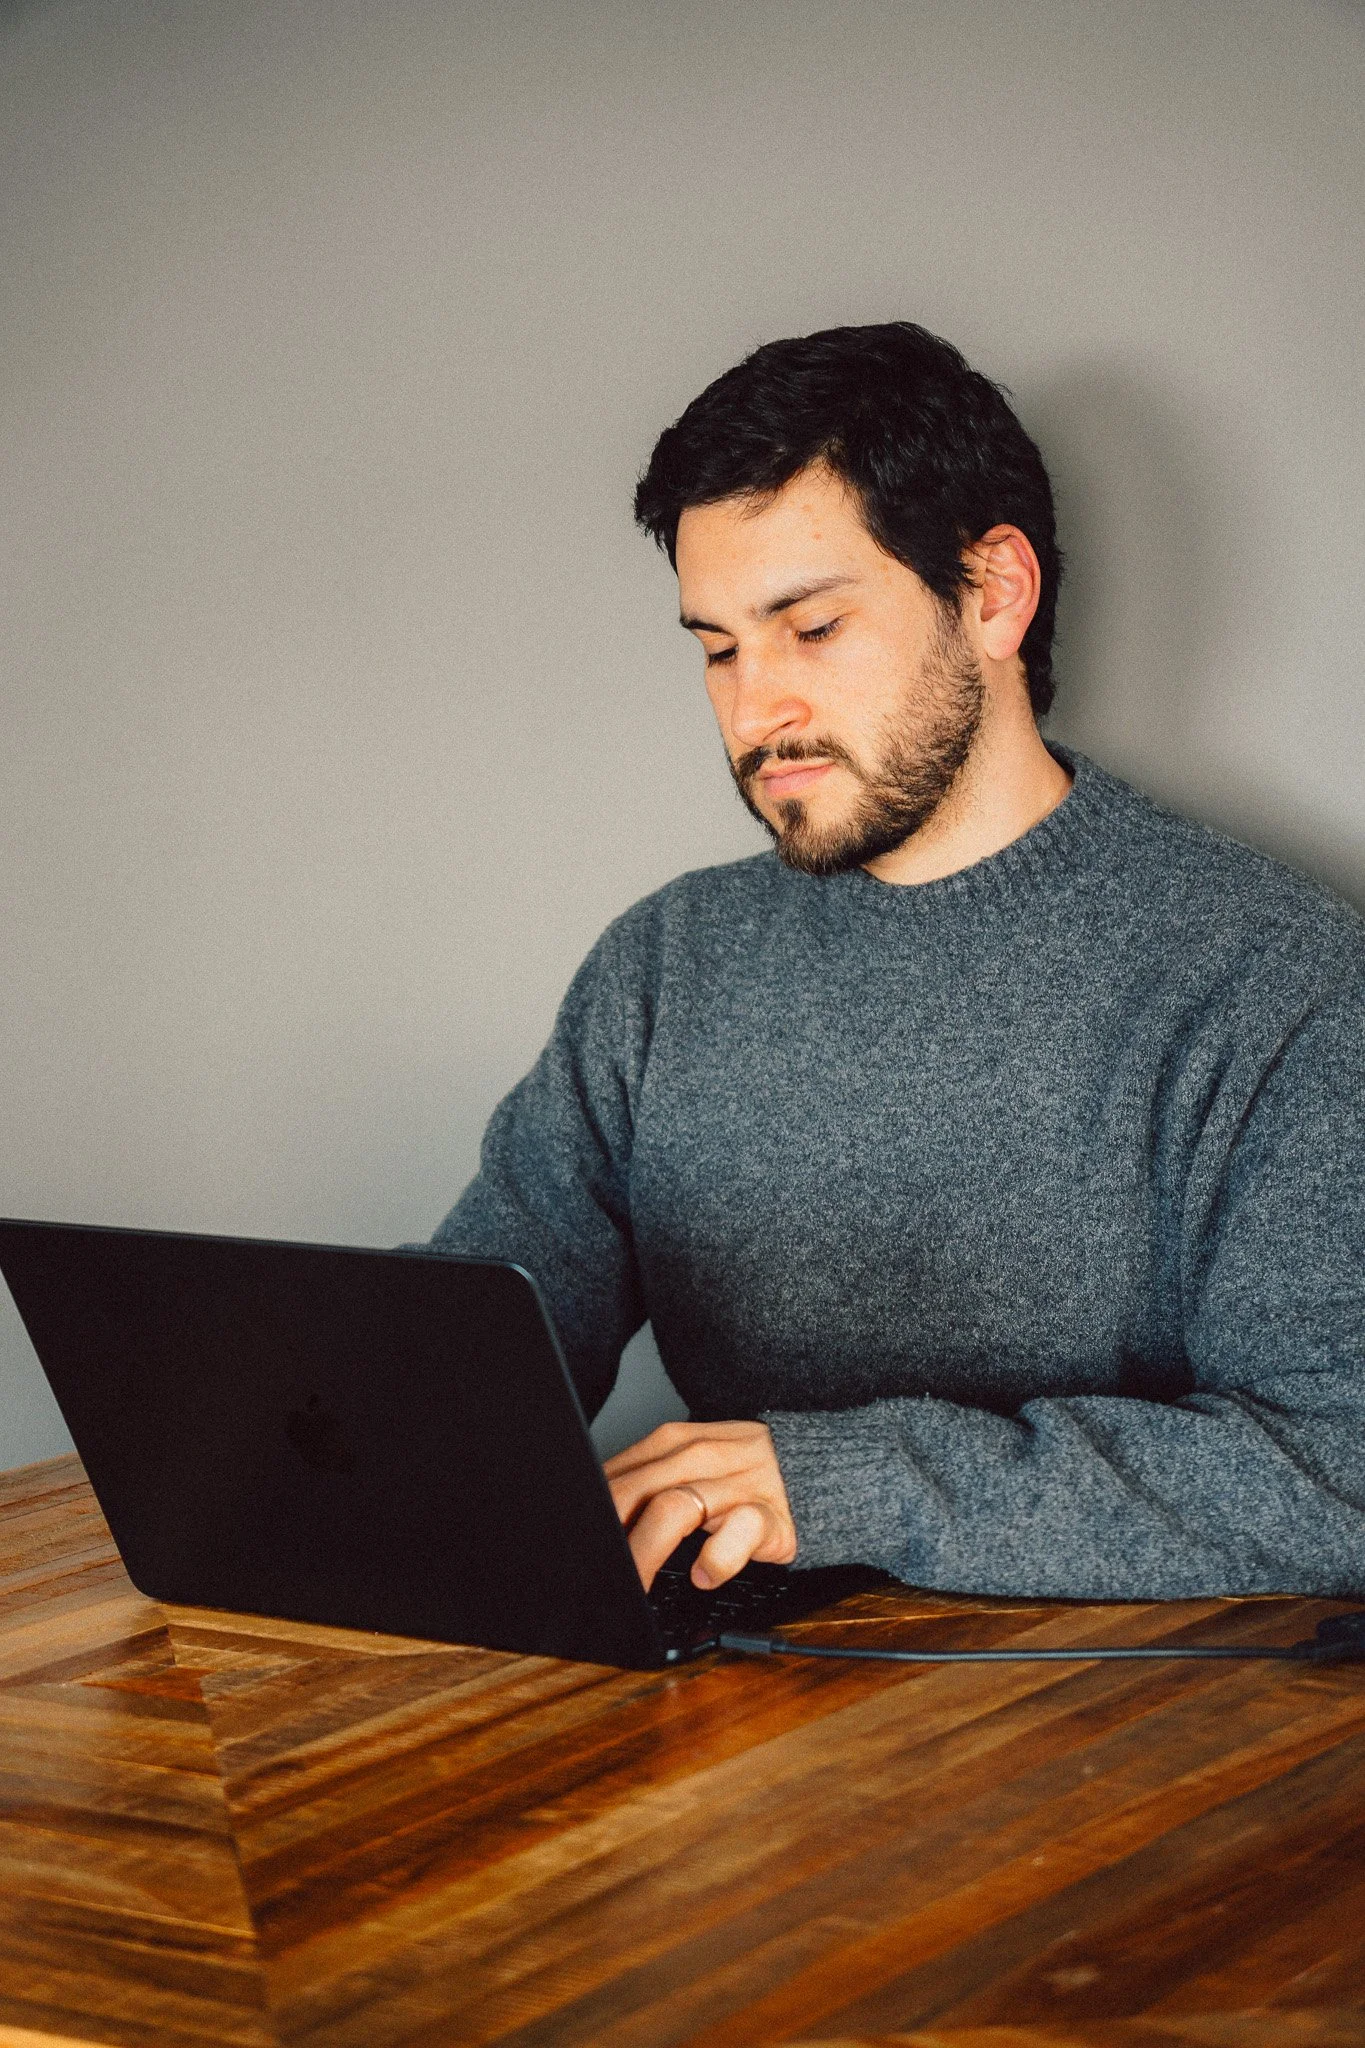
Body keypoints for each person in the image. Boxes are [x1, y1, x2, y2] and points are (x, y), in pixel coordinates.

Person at [426, 321, 1365, 1602]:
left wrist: (841, 1480)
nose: (756, 711)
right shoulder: (665, 965)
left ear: (993, 593)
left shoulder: (1273, 981)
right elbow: (472, 1352)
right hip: (728, 1718)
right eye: (717, 647)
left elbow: (1339, 1471)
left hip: (1121, 1739)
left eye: (809, 626)